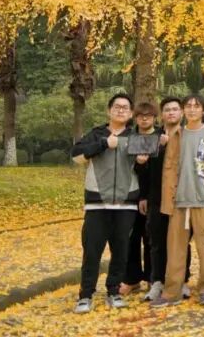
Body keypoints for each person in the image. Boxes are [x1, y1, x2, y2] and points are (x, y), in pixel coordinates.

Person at [151, 94, 204, 309]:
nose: (192, 109)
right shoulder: (176, 135)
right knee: (175, 249)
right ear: (183, 110)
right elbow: (168, 168)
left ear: (203, 110)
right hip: (178, 201)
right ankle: (172, 291)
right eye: (188, 106)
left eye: (197, 106)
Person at [71, 93, 142, 313]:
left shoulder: (135, 136)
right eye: (117, 107)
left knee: (121, 251)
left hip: (126, 204)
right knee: (92, 251)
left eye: (125, 108)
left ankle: (114, 291)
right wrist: (103, 144)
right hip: (97, 203)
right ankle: (85, 295)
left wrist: (143, 161)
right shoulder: (96, 134)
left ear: (131, 113)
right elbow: (76, 156)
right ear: (109, 110)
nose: (121, 110)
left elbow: (148, 163)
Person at [139, 97, 191, 302]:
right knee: (157, 240)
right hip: (157, 197)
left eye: (175, 109)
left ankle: (183, 280)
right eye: (167, 110)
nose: (171, 113)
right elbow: (143, 170)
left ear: (182, 113)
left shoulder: (189, 135)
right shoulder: (153, 138)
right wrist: (143, 196)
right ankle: (157, 281)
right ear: (162, 115)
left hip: (183, 197)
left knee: (182, 241)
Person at [122, 102, 156, 296]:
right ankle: (131, 279)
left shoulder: (160, 137)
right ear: (135, 118)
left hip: (153, 196)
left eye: (148, 115)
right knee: (131, 238)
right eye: (141, 116)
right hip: (129, 195)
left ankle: (152, 277)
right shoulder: (129, 137)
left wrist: (146, 196)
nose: (144, 119)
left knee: (151, 238)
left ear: (154, 117)